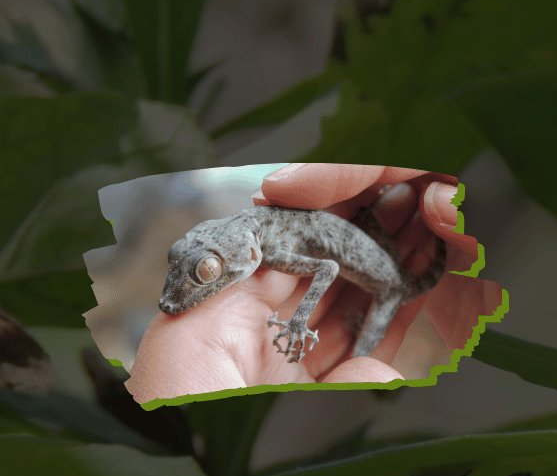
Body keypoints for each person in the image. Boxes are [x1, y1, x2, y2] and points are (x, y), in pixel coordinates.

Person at [125, 164, 501, 404]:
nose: (172, 299)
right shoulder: (254, 235)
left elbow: (326, 270)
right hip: (375, 256)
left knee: (360, 359)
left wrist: (299, 320)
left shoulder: (270, 252)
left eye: (206, 271)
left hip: (391, 291)